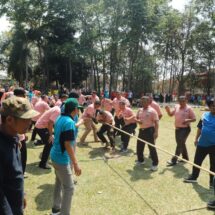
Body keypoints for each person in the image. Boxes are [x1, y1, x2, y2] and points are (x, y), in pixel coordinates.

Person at [0, 96, 39, 214]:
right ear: (10, 120)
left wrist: (22, 194)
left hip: (16, 203)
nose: (30, 122)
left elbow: (16, 172)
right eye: (25, 119)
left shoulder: (14, 136)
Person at [50, 98, 82, 215]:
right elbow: (68, 144)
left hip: (55, 156)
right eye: (78, 109)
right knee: (69, 188)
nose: (78, 111)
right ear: (74, 109)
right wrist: (76, 164)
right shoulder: (69, 122)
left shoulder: (60, 118)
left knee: (59, 181)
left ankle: (55, 208)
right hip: (61, 159)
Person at [183, 99, 215, 189]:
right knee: (197, 161)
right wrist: (196, 139)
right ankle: (194, 177)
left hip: (214, 145)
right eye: (212, 105)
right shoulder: (204, 115)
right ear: (209, 106)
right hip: (202, 144)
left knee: (214, 164)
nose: (213, 107)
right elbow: (200, 128)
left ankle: (212, 182)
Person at [165, 96, 196, 166]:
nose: (181, 102)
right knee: (181, 143)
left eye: (183, 101)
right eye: (180, 101)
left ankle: (174, 160)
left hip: (185, 129)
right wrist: (167, 110)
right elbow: (170, 114)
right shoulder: (176, 107)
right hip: (177, 129)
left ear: (186, 101)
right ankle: (185, 158)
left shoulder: (189, 109)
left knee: (180, 144)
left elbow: (194, 119)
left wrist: (188, 120)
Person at [135, 96, 159, 171]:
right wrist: (137, 121)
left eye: (144, 101)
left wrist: (156, 132)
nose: (143, 103)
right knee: (139, 146)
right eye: (141, 102)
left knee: (151, 147)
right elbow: (136, 118)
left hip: (149, 130)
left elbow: (156, 122)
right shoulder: (140, 110)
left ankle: (155, 164)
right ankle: (141, 160)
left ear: (148, 102)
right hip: (141, 130)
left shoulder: (152, 111)